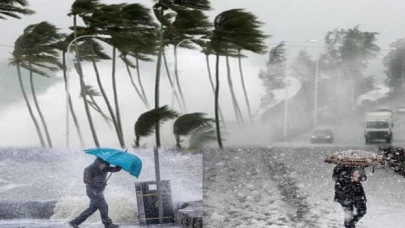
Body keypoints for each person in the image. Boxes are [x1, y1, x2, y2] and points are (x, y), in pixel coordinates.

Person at [69, 157, 122, 228]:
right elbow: (86, 180)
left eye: (105, 164)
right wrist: (97, 183)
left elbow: (116, 169)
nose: (103, 166)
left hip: (99, 191)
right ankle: (107, 224)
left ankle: (74, 222)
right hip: (92, 191)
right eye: (102, 165)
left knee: (92, 209)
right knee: (104, 206)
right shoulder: (89, 169)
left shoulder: (105, 168)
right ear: (97, 163)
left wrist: (119, 164)